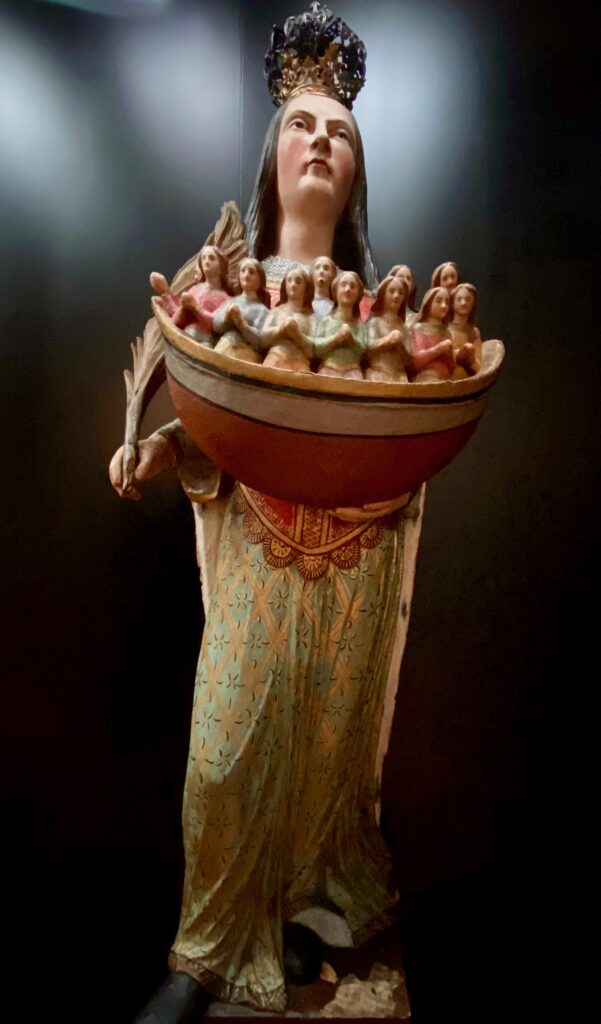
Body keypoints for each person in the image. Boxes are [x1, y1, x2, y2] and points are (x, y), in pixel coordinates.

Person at [110, 7, 424, 1019]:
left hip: (355, 550)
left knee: (328, 757)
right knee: (226, 749)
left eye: (339, 132)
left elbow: (408, 421)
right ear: (271, 156)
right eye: (300, 125)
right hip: (256, 543)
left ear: (357, 172)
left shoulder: (380, 310)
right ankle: (205, 948)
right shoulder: (227, 292)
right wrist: (160, 448)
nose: (320, 142)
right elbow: (213, 412)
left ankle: (302, 916)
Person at [261, 266, 315, 372]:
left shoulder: (311, 318)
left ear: (307, 289)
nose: (293, 284)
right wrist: (281, 329)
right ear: (284, 286)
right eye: (289, 281)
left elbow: (313, 350)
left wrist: (297, 335)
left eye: (298, 282)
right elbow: (263, 339)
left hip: (300, 363)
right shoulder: (277, 311)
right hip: (276, 357)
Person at [314, 270, 366, 379]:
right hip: (329, 367)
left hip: (352, 370)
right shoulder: (326, 320)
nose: (348, 289)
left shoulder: (359, 324)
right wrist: (336, 338)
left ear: (358, 294)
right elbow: (317, 348)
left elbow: (363, 350)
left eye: (352, 286)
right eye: (343, 285)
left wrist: (351, 339)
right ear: (335, 291)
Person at [365, 275, 410, 382]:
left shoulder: (404, 327)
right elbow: (367, 347)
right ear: (383, 295)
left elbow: (408, 359)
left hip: (399, 376)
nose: (396, 295)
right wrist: (387, 340)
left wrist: (400, 345)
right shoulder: (375, 322)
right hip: (378, 372)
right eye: (392, 291)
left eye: (400, 293)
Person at [408, 286, 456, 382]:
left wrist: (449, 355)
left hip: (446, 380)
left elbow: (452, 368)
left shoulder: (447, 332)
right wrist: (439, 349)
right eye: (438, 301)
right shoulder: (419, 328)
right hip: (427, 377)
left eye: (447, 302)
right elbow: (416, 360)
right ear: (428, 304)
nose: (444, 306)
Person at [448, 282, 483, 379]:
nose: (463, 303)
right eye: (459, 299)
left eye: (468, 299)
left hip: (468, 381)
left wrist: (471, 360)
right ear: (452, 303)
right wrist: (458, 355)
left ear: (473, 302)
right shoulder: (446, 329)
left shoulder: (474, 332)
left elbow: (479, 367)